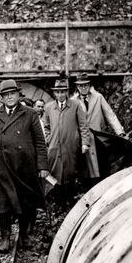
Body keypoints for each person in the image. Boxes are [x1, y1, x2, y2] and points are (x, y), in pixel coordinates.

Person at [0, 79, 49, 252]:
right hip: (2, 168)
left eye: (12, 93)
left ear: (18, 95)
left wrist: (42, 166)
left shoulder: (30, 114)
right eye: (6, 95)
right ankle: (5, 238)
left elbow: (40, 142)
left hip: (24, 167)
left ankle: (24, 236)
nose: (10, 97)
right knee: (2, 204)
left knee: (26, 203)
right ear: (2, 98)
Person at [71, 72, 125, 187]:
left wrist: (119, 131)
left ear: (89, 85)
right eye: (80, 86)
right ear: (77, 87)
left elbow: (110, 115)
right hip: (82, 139)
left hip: (98, 136)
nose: (83, 88)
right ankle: (87, 192)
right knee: (85, 169)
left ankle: (104, 188)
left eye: (85, 85)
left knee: (102, 165)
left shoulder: (98, 97)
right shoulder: (73, 101)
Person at [44, 79, 90, 209]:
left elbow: (83, 125)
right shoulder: (49, 107)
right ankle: (59, 204)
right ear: (55, 94)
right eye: (57, 92)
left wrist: (84, 143)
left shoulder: (75, 105)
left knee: (70, 173)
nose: (60, 95)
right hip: (54, 148)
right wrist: (49, 139)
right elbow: (46, 126)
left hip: (71, 147)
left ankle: (71, 203)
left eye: (63, 92)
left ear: (67, 92)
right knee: (55, 174)